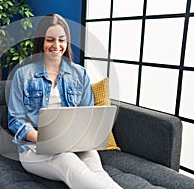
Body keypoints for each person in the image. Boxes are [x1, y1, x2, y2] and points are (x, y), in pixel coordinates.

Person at [8, 14, 122, 189]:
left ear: (67, 42)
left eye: (61, 40)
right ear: (41, 42)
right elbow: (15, 120)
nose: (56, 46)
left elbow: (87, 115)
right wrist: (42, 138)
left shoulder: (80, 74)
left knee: (97, 171)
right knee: (68, 162)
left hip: (75, 143)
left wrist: (86, 136)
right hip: (34, 148)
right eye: (50, 40)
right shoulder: (23, 75)